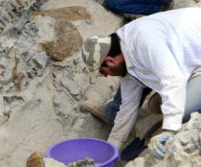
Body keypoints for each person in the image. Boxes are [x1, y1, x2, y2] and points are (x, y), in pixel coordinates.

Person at [81, 8, 201, 158]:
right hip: (184, 60)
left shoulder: (143, 41)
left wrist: (169, 130)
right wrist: (112, 147)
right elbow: (128, 107)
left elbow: (173, 79)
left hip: (196, 59)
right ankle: (175, 96)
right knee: (163, 103)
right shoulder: (123, 52)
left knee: (184, 110)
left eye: (102, 71)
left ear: (109, 61)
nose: (105, 76)